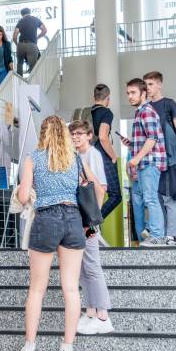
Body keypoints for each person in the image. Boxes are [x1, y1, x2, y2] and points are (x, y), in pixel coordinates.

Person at [17, 116, 85, 351]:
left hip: (46, 218)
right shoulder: (74, 158)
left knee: (37, 289)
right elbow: (81, 189)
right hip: (73, 218)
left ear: (43, 133)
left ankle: (30, 349)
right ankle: (67, 350)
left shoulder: (33, 158)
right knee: (70, 288)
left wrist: (26, 191)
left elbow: (24, 197)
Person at [68, 121, 114, 336]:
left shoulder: (92, 155)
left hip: (88, 220)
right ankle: (91, 312)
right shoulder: (77, 156)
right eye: (73, 134)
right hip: (80, 219)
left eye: (79, 134)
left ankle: (103, 315)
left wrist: (92, 219)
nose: (75, 137)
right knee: (84, 269)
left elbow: (100, 188)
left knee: (92, 267)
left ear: (89, 135)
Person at [122, 78, 168, 246]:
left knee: (150, 199)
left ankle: (156, 236)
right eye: (128, 93)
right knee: (149, 198)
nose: (129, 96)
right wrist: (132, 145)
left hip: (149, 162)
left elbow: (152, 138)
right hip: (146, 162)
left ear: (143, 93)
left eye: (133, 92)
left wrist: (136, 158)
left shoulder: (146, 111)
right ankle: (155, 235)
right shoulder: (140, 112)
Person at [144, 71, 176, 246]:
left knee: (169, 198)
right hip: (152, 160)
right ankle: (158, 234)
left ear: (159, 84)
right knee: (155, 197)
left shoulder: (169, 104)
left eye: (151, 84)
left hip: (168, 159)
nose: (148, 88)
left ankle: (171, 235)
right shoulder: (146, 107)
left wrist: (170, 152)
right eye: (145, 84)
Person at [74, 84, 122, 221]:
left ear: (93, 97)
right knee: (115, 195)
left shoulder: (85, 112)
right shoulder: (107, 112)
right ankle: (93, 221)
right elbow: (102, 136)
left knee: (89, 192)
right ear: (108, 99)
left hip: (84, 156)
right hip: (101, 156)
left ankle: (89, 221)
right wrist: (113, 156)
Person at [12, 7, 46, 76]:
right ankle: (33, 83)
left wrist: (17, 44)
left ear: (22, 14)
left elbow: (14, 36)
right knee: (33, 66)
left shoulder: (20, 21)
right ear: (29, 12)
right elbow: (44, 30)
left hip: (21, 44)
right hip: (32, 45)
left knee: (20, 64)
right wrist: (37, 37)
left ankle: (19, 82)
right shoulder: (36, 19)